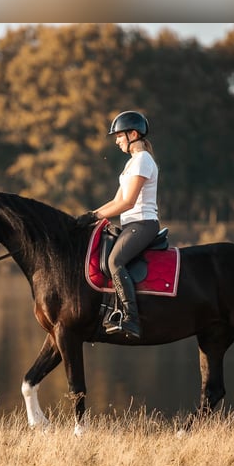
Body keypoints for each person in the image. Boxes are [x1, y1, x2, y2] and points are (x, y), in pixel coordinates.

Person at [76, 110, 160, 338]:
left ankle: (132, 318)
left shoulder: (142, 160)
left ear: (133, 134)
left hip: (143, 223)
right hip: (133, 224)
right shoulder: (132, 163)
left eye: (119, 136)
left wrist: (95, 217)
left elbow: (128, 201)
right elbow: (115, 201)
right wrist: (91, 215)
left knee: (115, 260)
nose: (116, 140)